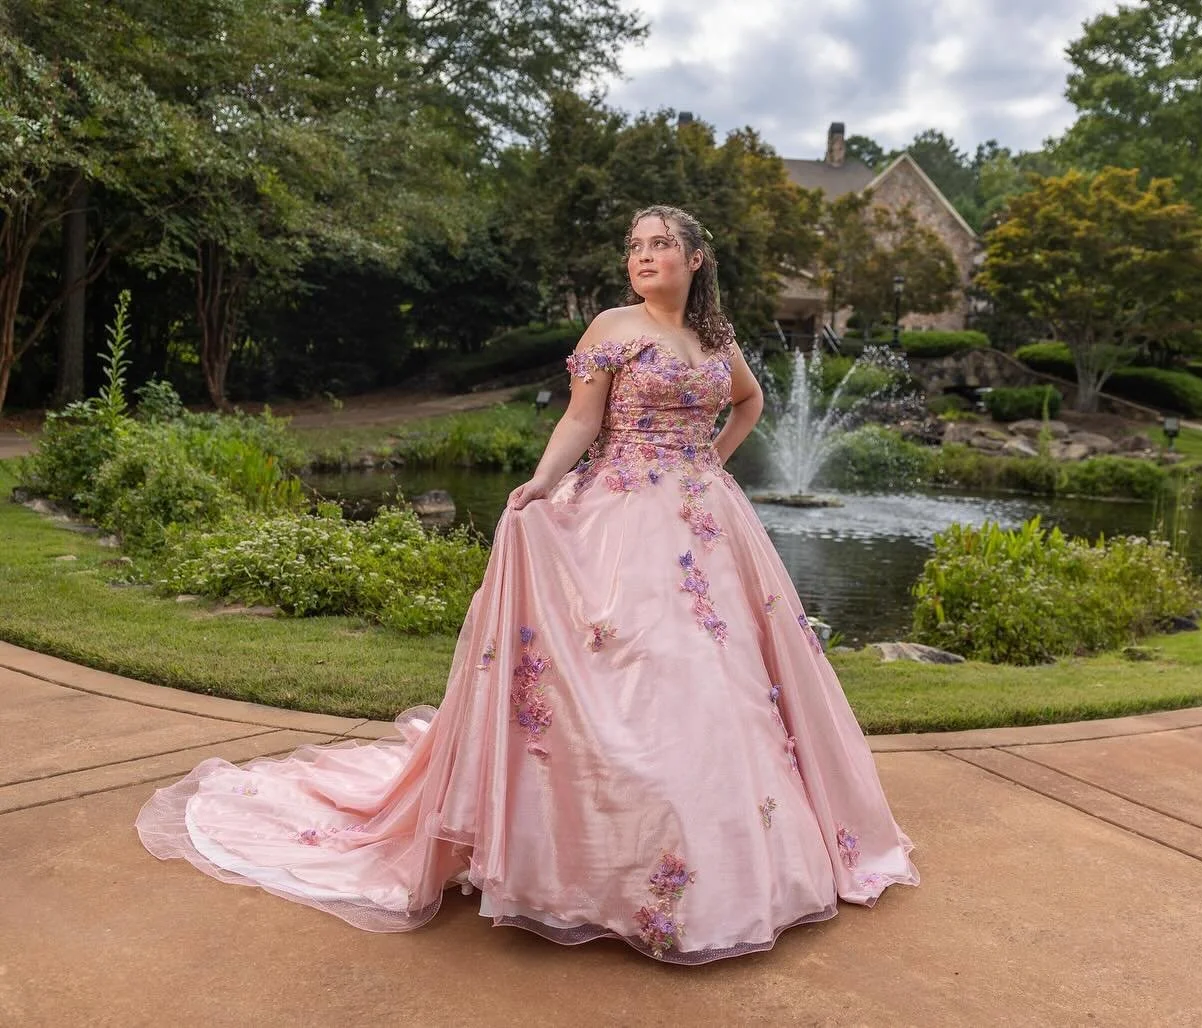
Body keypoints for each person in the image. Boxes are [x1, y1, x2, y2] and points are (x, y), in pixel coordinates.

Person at [135, 204, 918, 963]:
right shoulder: (614, 327)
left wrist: (713, 457)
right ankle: (607, 869)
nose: (642, 256)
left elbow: (747, 400)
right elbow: (581, 422)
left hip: (705, 521)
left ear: (694, 258)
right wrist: (544, 482)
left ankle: (733, 865)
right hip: (620, 517)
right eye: (634, 246)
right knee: (637, 672)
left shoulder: (715, 337)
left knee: (723, 682)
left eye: (658, 245)